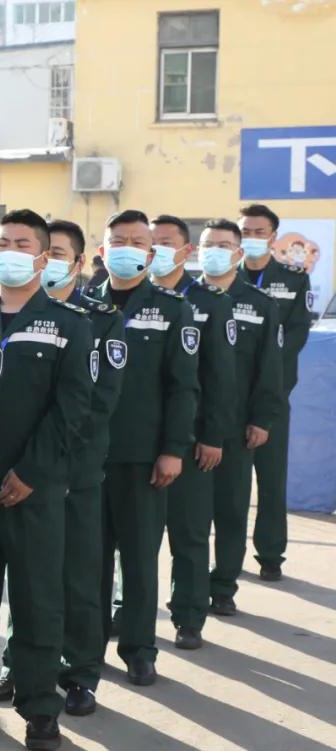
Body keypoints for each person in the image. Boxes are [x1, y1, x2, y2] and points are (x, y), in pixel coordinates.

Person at [0, 210, 94, 751]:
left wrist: (32, 471)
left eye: (23, 244)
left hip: (33, 491)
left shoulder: (70, 325)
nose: (11, 252)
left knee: (37, 604)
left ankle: (41, 710)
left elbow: (72, 409)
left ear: (44, 259)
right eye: (3, 243)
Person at [0, 219, 127, 718]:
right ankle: (20, 666)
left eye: (56, 255)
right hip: (19, 472)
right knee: (30, 583)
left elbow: (94, 403)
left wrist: (47, 461)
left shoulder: (96, 319)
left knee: (74, 579)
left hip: (73, 473)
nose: (45, 263)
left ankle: (79, 674)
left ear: (74, 263)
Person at [86, 210, 199, 686]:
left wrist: (174, 449)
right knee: (87, 562)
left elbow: (183, 387)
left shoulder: (173, 309)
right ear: (102, 251)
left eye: (137, 241)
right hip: (87, 458)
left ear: (152, 255)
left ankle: (138, 647)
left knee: (138, 559)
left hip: (142, 455)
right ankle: (85, 650)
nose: (127, 248)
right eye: (119, 240)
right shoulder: (81, 306)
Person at [150, 214, 236, 650]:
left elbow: (221, 376)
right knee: (135, 538)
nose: (155, 249)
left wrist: (214, 436)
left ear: (185, 251)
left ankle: (188, 615)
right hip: (140, 439)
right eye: (151, 241)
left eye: (165, 242)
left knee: (188, 532)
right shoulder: (123, 300)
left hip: (191, 438)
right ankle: (126, 610)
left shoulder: (210, 301)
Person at [203, 219, 283, 617]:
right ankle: (188, 589)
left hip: (235, 429)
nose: (214, 251)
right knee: (189, 520)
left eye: (223, 245)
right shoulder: (186, 299)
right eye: (208, 244)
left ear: (238, 253)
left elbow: (271, 370)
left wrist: (262, 420)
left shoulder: (259, 305)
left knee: (231, 511)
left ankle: (222, 586)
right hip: (188, 429)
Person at [237, 204, 310, 581]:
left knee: (270, 482)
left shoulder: (293, 279)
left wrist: (266, 378)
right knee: (229, 486)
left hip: (273, 398)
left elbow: (296, 334)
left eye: (258, 231)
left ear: (273, 236)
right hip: (228, 400)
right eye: (245, 231)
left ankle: (270, 555)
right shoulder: (224, 278)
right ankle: (225, 560)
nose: (251, 238)